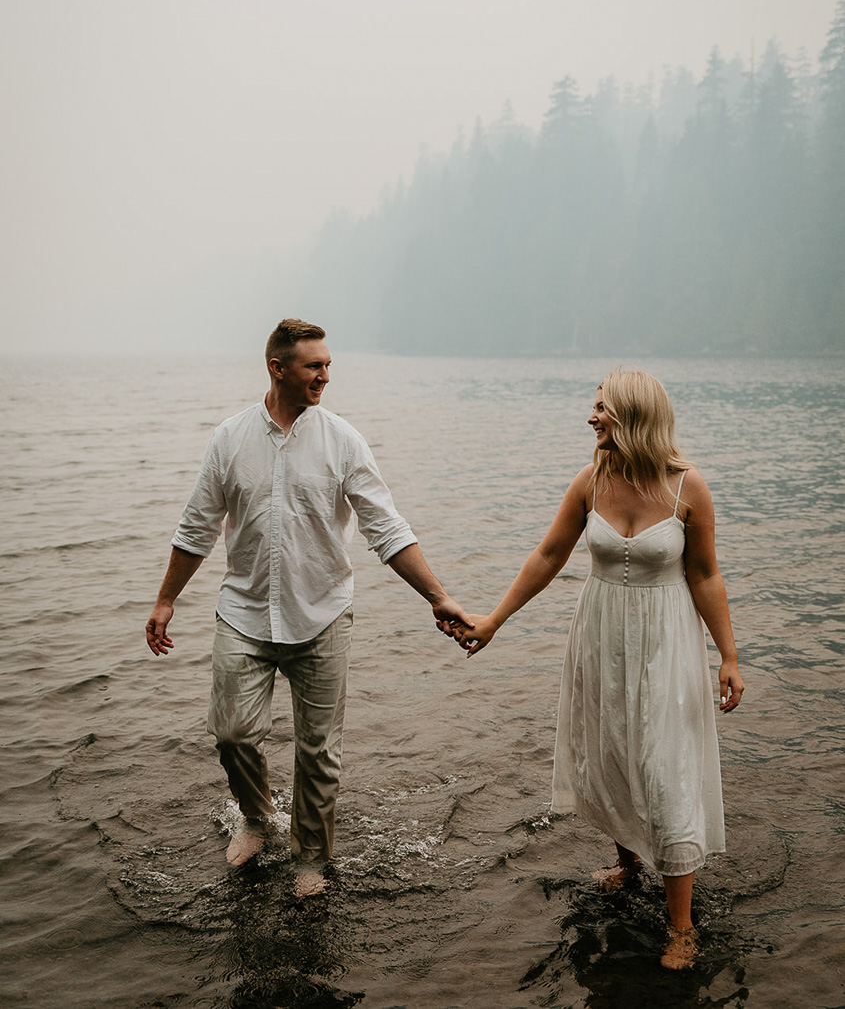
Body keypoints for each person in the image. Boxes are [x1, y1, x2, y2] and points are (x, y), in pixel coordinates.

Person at [146, 318, 471, 893]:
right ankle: (254, 817)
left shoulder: (343, 440)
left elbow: (386, 529)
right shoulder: (229, 438)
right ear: (278, 368)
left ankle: (311, 858)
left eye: (328, 366)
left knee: (319, 752)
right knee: (233, 734)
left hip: (322, 615)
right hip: (242, 614)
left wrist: (439, 597)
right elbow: (196, 527)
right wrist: (166, 599)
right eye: (314, 366)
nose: (325, 376)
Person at [448, 369, 744, 970]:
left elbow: (705, 575)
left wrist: (729, 656)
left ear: (632, 415)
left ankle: (681, 926)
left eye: (601, 407)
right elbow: (549, 554)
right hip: (602, 636)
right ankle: (630, 862)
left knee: (664, 766)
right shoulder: (591, 480)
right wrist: (494, 620)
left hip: (665, 641)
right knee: (610, 750)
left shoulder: (689, 487)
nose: (591, 417)